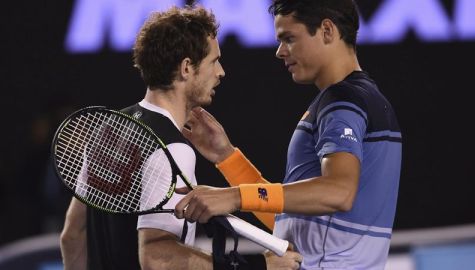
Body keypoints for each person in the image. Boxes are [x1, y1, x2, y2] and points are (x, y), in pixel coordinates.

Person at [60, 5, 302, 270]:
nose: (221, 72)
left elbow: (72, 236)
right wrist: (258, 267)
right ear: (187, 68)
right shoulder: (173, 148)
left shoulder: (107, 130)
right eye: (214, 61)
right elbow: (157, 257)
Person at [175, 0, 402, 269]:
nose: (280, 52)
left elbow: (339, 192)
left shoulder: (342, 101)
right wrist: (227, 157)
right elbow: (297, 217)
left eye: (289, 38)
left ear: (327, 31)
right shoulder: (364, 99)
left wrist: (233, 196)